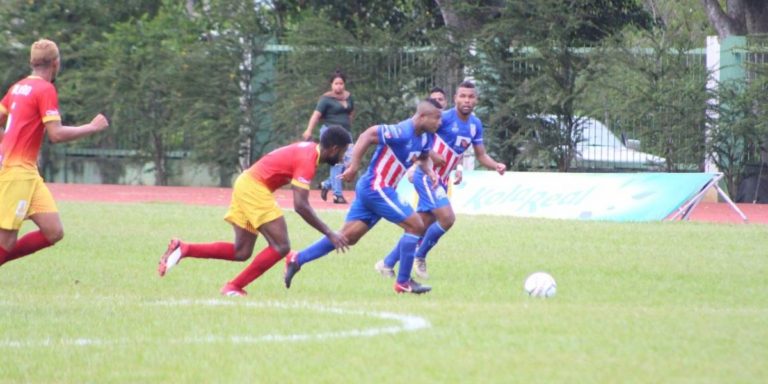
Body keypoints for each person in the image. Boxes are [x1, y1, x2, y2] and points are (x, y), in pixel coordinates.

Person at [157, 125, 352, 296]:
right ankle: (233, 287)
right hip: (254, 188)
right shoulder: (308, 160)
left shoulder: (309, 151)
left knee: (241, 251)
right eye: (343, 151)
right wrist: (330, 233)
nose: (344, 156)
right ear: (334, 149)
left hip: (246, 183)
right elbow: (300, 205)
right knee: (281, 246)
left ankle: (184, 248)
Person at [284, 99, 443, 294]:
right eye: (437, 118)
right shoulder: (401, 131)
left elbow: (423, 157)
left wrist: (431, 172)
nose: (439, 123)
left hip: (377, 189)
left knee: (347, 237)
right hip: (376, 187)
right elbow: (367, 135)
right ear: (422, 116)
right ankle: (403, 282)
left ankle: (296, 259)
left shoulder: (425, 138)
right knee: (416, 225)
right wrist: (354, 165)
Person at [377, 80, 506, 280]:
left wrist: (495, 165)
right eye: (463, 96)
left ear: (476, 100)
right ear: (455, 98)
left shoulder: (475, 125)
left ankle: (387, 263)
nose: (467, 100)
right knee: (447, 218)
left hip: (441, 180)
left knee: (420, 225)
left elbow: (481, 155)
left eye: (471, 97)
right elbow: (417, 132)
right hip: (427, 176)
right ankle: (420, 256)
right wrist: (423, 159)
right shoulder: (443, 118)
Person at [0, 39, 109, 268]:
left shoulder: (18, 87)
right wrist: (91, 127)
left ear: (32, 62)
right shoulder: (45, 89)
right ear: (56, 63)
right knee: (6, 241)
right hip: (17, 174)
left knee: (53, 231)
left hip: (27, 173)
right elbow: (56, 134)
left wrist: (7, 143)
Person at [302, 69, 355, 204]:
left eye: (341, 83)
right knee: (337, 162)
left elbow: (351, 114)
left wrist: (348, 126)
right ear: (331, 84)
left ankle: (326, 184)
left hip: (345, 133)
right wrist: (309, 130)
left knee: (351, 162)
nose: (339, 86)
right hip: (331, 133)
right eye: (336, 83)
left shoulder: (349, 97)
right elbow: (316, 115)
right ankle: (337, 195)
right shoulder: (326, 99)